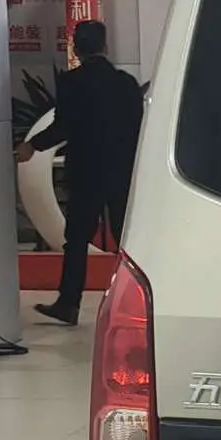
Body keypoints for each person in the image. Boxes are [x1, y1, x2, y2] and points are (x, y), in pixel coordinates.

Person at [18, 20, 144, 326]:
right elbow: (138, 128)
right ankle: (140, 302)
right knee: (128, 239)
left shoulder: (72, 83)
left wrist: (32, 145)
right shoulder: (126, 84)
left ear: (76, 48)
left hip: (86, 173)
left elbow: (62, 127)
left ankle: (69, 303)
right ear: (105, 46)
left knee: (76, 241)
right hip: (121, 172)